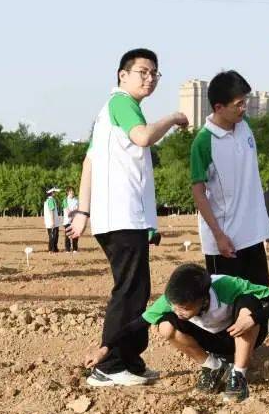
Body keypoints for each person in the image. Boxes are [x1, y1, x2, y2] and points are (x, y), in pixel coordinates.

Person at [67, 48, 189, 387]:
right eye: (142, 72)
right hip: (122, 217)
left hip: (121, 216)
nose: (149, 79)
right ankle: (110, 365)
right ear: (123, 75)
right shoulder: (122, 103)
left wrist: (82, 212)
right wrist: (174, 118)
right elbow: (144, 136)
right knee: (128, 293)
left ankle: (130, 361)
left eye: (154, 74)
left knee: (135, 290)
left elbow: (88, 162)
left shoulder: (111, 112)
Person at [84, 263, 269, 402]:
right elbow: (135, 325)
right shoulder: (173, 302)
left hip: (246, 332)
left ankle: (238, 375)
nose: (177, 310)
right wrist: (105, 349)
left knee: (249, 303)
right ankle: (213, 367)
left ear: (203, 298)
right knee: (165, 325)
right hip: (214, 339)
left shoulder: (227, 285)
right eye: (174, 305)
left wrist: (253, 319)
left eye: (183, 307)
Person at [190, 70, 269, 285]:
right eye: (238, 104)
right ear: (218, 107)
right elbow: (198, 193)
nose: (243, 108)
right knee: (227, 308)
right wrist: (218, 235)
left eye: (245, 102)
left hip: (253, 235)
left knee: (259, 303)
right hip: (225, 242)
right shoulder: (203, 142)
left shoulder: (244, 125)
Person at [43, 188, 62, 252]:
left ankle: (54, 248)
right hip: (53, 222)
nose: (55, 193)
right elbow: (52, 210)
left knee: (52, 235)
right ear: (51, 193)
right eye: (54, 192)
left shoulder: (47, 200)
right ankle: (52, 249)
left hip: (49, 222)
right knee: (54, 236)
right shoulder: (51, 200)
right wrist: (53, 221)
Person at [62, 186, 80, 252]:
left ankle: (75, 249)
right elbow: (68, 211)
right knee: (67, 236)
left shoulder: (76, 200)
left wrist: (75, 213)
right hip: (67, 221)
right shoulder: (65, 200)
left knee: (75, 235)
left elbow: (78, 209)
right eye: (70, 191)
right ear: (67, 192)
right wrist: (73, 213)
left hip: (75, 221)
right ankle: (67, 249)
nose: (72, 192)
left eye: (72, 191)